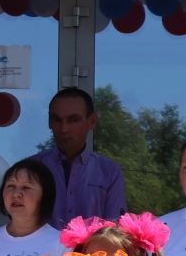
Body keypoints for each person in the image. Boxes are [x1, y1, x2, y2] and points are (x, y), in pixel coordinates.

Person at [29, 87, 126, 228]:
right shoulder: (31, 168)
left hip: (93, 250)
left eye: (73, 120)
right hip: (42, 250)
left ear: (92, 121)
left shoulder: (109, 171)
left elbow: (114, 228)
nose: (64, 129)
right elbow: (21, 225)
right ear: (49, 122)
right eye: (57, 120)